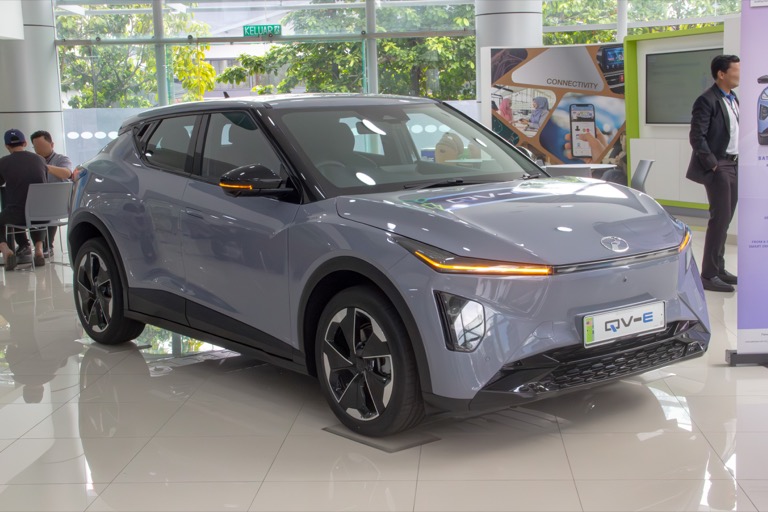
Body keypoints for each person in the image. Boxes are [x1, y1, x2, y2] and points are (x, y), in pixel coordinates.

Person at [686, 54, 740, 293]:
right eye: (736, 70)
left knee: (726, 219)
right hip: (719, 166)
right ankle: (708, 275)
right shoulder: (706, 100)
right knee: (719, 219)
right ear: (722, 73)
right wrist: (714, 165)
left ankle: (719, 268)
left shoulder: (732, 98)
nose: (740, 74)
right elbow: (697, 136)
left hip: (734, 164)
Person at [0, 129, 48, 270]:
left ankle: (6, 250)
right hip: (42, 216)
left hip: (17, 216)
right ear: (25, 143)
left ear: (7, 146)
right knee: (35, 212)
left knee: (5, 216)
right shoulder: (40, 159)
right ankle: (38, 249)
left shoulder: (3, 162)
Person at [31, 130, 73, 258]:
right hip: (39, 204)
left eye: (42, 146)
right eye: (36, 147)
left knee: (44, 209)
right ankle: (36, 246)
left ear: (52, 144)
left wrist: (44, 166)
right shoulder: (31, 161)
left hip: (57, 205)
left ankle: (46, 246)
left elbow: (67, 173)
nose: (39, 150)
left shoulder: (61, 159)